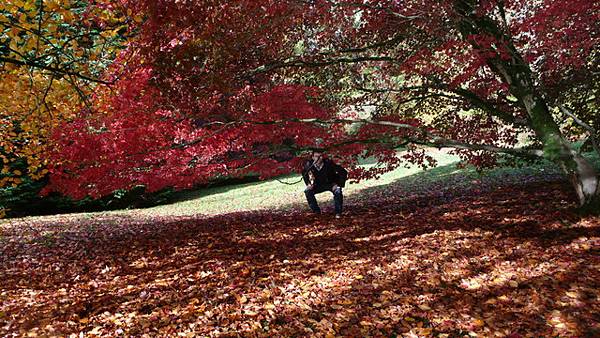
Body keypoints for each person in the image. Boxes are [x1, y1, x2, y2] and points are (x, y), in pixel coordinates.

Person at [302, 150, 348, 218]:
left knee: (338, 191)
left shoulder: (328, 163)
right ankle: (316, 211)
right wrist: (308, 184)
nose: (318, 158)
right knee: (307, 191)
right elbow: (304, 173)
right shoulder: (309, 164)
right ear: (313, 157)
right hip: (317, 185)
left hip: (331, 184)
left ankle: (338, 212)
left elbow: (343, 172)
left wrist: (338, 184)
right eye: (316, 156)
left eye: (320, 156)